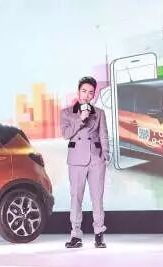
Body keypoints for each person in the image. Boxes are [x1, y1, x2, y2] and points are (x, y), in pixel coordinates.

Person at [60, 76, 110, 249]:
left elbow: (104, 135)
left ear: (94, 95)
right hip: (76, 160)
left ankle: (99, 234)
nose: (86, 95)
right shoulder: (67, 112)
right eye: (84, 91)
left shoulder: (99, 113)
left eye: (90, 92)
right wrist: (81, 119)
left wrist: (106, 155)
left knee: (97, 198)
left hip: (96, 159)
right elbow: (66, 134)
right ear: (78, 92)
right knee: (76, 198)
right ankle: (76, 235)